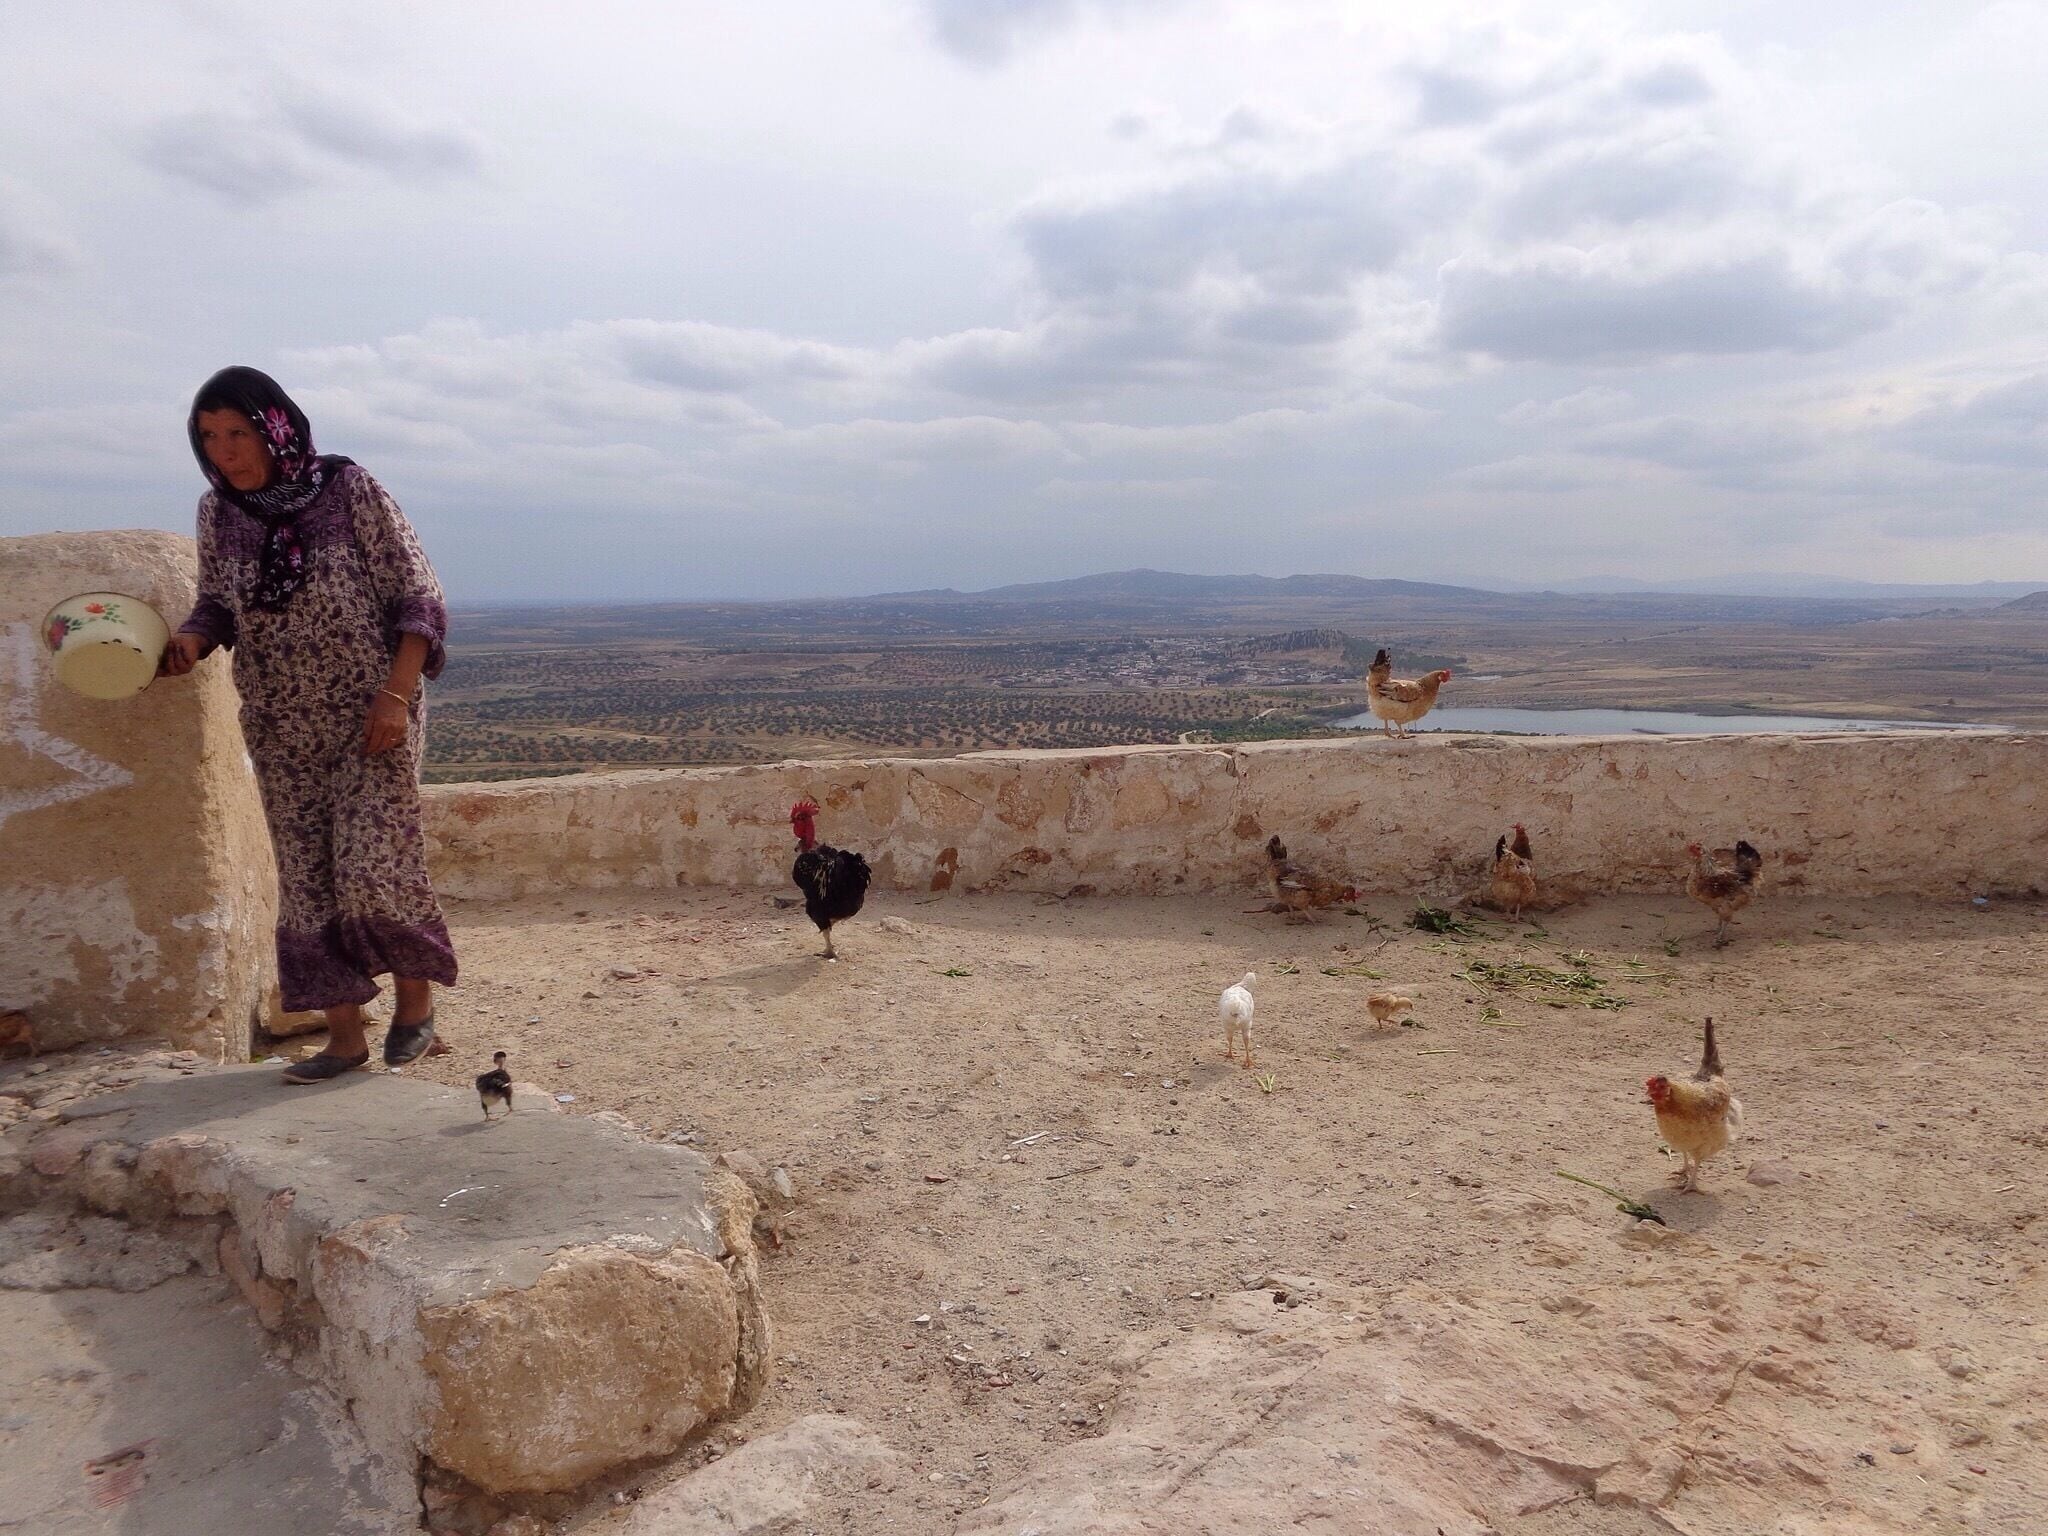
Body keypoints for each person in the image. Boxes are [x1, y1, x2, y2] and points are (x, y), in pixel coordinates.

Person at [162, 366, 458, 1082]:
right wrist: (191, 641)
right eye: (209, 437)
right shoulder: (216, 512)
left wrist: (395, 694)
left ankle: (415, 1001)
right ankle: (344, 1037)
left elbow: (416, 593)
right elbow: (218, 604)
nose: (225, 451)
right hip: (278, 722)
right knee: (306, 881)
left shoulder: (346, 489)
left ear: (275, 426)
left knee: (371, 864)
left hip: (371, 714)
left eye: (237, 433)